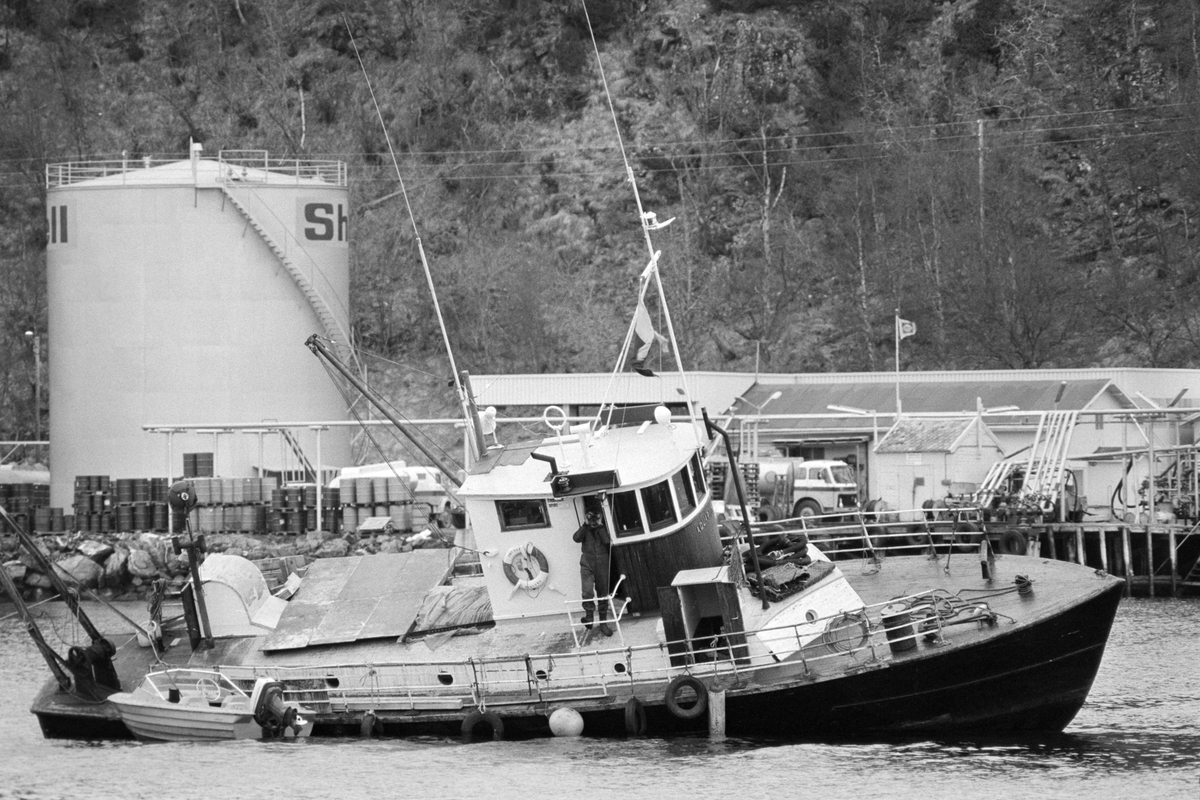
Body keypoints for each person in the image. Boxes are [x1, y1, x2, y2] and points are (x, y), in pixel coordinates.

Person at [573, 497, 613, 636]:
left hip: (602, 562)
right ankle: (589, 616)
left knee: (603, 594)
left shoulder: (602, 528)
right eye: (591, 518)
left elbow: (607, 541)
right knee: (587, 591)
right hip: (587, 562)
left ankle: (603, 624)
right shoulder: (585, 528)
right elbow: (576, 538)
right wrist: (585, 524)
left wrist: (600, 526)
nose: (593, 521)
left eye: (595, 518)